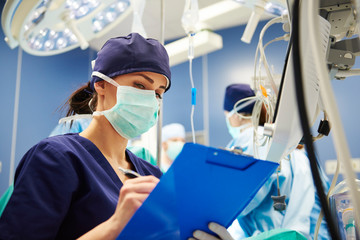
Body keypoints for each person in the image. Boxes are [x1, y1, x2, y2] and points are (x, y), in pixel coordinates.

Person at [0, 33, 171, 239]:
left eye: (157, 93)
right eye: (140, 85)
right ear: (100, 84)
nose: (150, 100)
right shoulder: (56, 158)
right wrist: (115, 225)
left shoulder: (151, 173)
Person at [222, 83, 330, 240]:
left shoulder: (250, 142)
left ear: (235, 116)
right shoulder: (295, 146)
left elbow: (235, 203)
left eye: (226, 116)